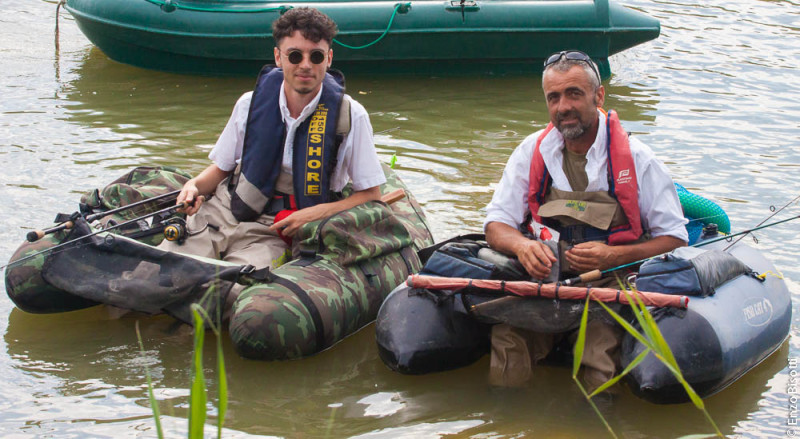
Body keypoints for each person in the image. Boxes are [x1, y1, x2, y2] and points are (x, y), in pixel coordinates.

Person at [482, 50, 689, 390]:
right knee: (508, 337)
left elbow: (675, 239)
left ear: (599, 96)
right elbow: (496, 224)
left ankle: (596, 411)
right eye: (554, 97)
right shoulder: (531, 151)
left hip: (612, 284)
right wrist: (522, 247)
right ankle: (506, 414)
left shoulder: (639, 159)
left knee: (597, 354)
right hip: (547, 280)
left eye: (574, 94)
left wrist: (614, 256)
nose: (563, 107)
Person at [160, 7, 386, 309]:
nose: (305, 65)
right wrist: (193, 186)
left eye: (316, 56)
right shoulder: (249, 104)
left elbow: (371, 195)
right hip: (225, 210)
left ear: (329, 59)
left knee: (230, 296)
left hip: (277, 231)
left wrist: (312, 215)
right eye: (295, 55)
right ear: (278, 57)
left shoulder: (351, 115)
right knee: (163, 272)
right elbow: (220, 170)